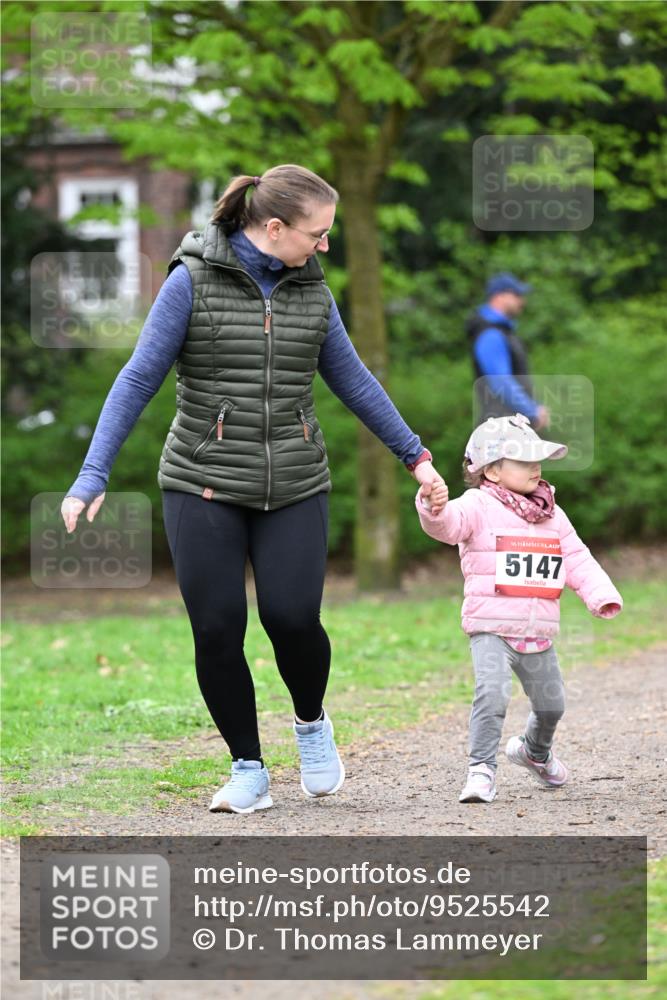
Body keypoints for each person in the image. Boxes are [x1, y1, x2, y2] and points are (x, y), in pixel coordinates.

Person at [61, 164, 446, 815]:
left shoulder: (311, 292)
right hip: (201, 482)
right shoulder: (190, 282)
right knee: (217, 629)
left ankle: (311, 722)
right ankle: (247, 768)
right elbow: (137, 378)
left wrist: (417, 458)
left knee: (292, 619)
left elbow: (354, 380)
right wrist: (93, 472)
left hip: (294, 480)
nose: (324, 245)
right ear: (273, 228)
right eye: (317, 234)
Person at [414, 413, 622, 803]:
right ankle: (481, 769)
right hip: (491, 628)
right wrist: (432, 506)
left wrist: (600, 594)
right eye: (523, 460)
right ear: (492, 471)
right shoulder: (477, 505)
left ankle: (534, 752)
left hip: (537, 630)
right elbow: (448, 525)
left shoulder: (552, 514)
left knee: (552, 705)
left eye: (536, 458)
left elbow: (576, 558)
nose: (535, 467)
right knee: (492, 695)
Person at [466, 273, 550, 430]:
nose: (522, 301)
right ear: (499, 296)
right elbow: (500, 381)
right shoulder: (490, 333)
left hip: (507, 425)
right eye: (517, 295)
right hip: (501, 427)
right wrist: (532, 411)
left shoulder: (500, 331)